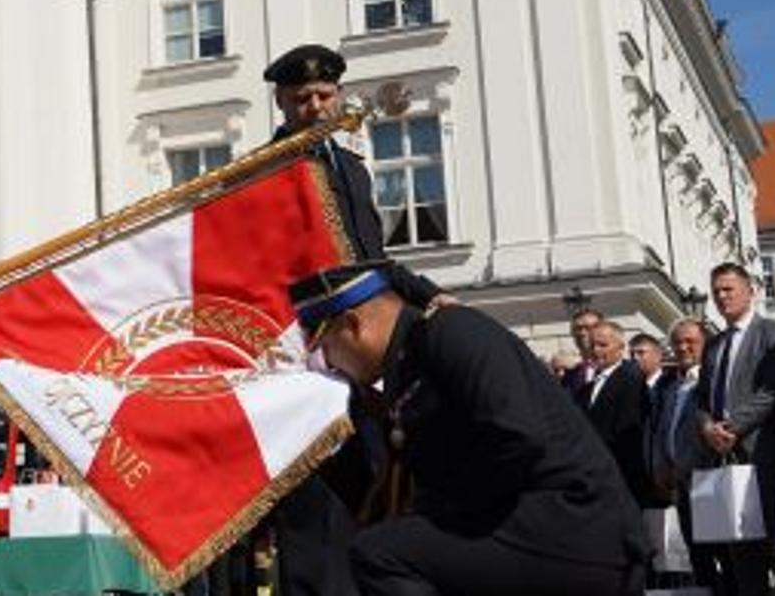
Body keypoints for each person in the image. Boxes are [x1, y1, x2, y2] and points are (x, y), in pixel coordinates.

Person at [291, 261, 647, 594]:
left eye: (326, 348)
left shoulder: (452, 331)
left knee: (381, 556)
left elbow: (517, 437)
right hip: (537, 526)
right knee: (394, 541)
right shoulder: (412, 361)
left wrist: (443, 511)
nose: (331, 365)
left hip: (573, 522)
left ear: (354, 325)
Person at [261, 43, 455, 596]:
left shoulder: (349, 168)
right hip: (307, 354)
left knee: (380, 488)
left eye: (325, 95)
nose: (317, 107)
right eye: (303, 99)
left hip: (368, 349)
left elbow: (371, 256)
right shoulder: (267, 170)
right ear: (281, 102)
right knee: (317, 510)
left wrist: (430, 293)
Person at [693, 262, 775, 595]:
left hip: (762, 453)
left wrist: (731, 428)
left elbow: (771, 391)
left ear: (750, 291)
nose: (722, 297)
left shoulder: (773, 332)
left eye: (728, 289)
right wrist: (708, 427)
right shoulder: (714, 344)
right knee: (740, 551)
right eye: (716, 291)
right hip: (723, 459)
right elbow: (702, 398)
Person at [645, 318, 718, 588]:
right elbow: (663, 431)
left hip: (708, 481)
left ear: (706, 344)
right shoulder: (673, 386)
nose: (683, 347)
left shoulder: (712, 381)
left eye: (691, 341)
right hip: (682, 486)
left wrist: (684, 467)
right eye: (677, 342)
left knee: (723, 555)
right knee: (698, 558)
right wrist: (661, 466)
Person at [578, 320, 650, 507]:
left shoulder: (630, 377)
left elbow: (630, 431)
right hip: (594, 475)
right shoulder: (588, 387)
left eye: (603, 345)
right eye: (592, 345)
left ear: (620, 347)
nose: (596, 350)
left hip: (620, 476)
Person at [562, 309, 604, 396]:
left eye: (588, 328)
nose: (582, 333)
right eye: (578, 329)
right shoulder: (568, 374)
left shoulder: (618, 369)